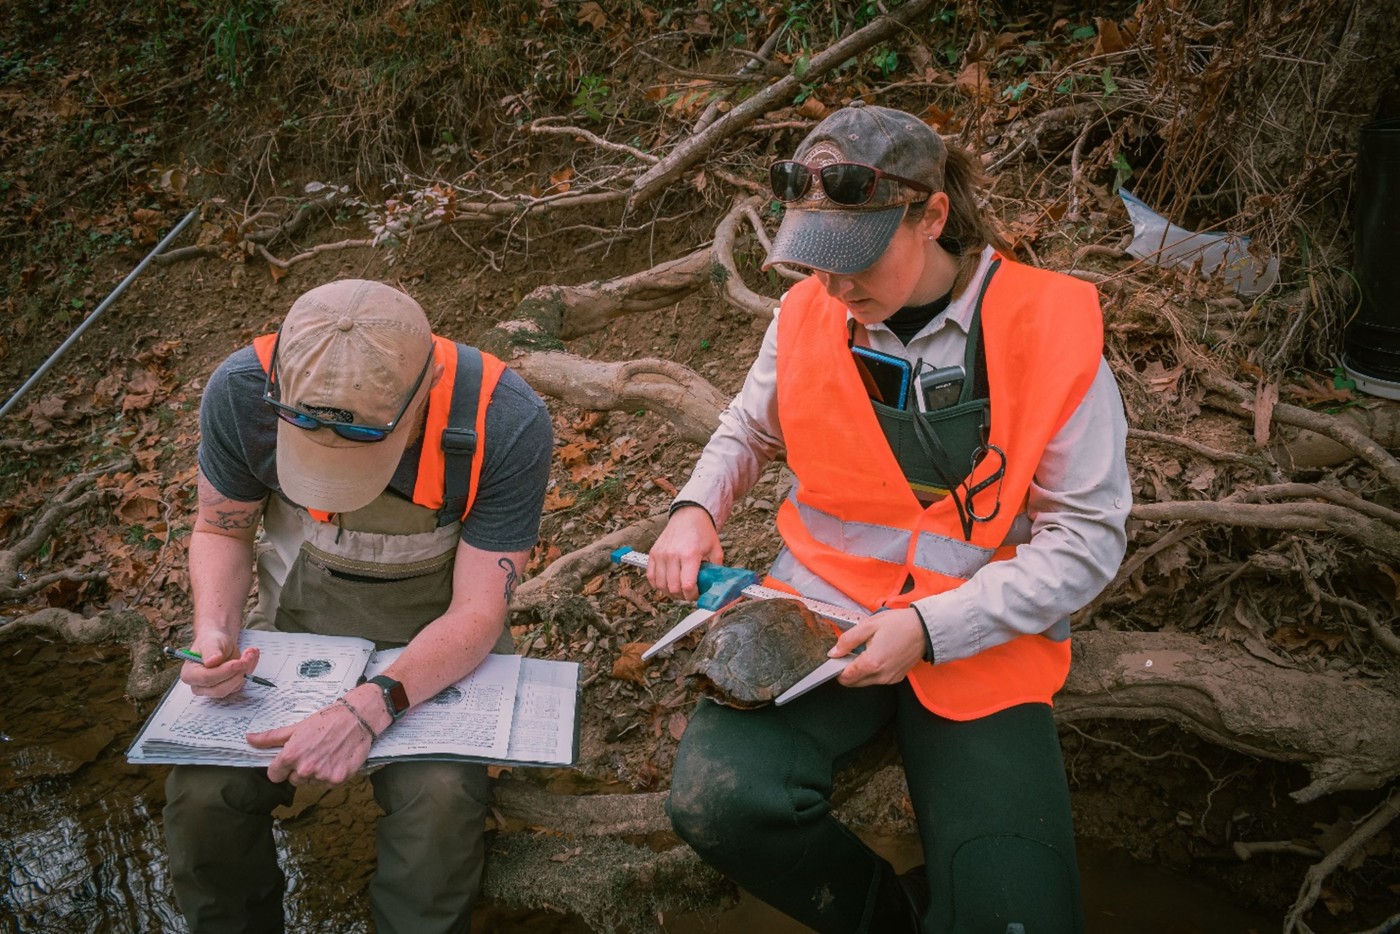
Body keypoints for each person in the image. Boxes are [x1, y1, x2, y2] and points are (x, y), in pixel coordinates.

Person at [645, 101, 1130, 933]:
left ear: (932, 215)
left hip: (982, 644)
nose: (834, 287)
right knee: (720, 804)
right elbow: (749, 427)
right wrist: (694, 508)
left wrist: (932, 627)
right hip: (821, 622)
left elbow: (1085, 542)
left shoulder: (1049, 328)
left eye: (855, 261)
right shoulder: (807, 312)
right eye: (818, 262)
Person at [162, 278, 553, 933]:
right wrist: (214, 636)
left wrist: (372, 706)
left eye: (356, 457)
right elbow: (221, 529)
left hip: (439, 647)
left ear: (422, 394)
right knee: (203, 792)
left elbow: (479, 613)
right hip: (296, 631)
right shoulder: (240, 390)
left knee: (441, 801)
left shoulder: (503, 419)